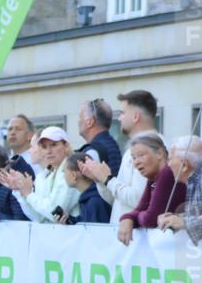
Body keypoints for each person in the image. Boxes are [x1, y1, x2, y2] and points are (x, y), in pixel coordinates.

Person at [85, 90, 159, 223]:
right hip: (125, 237)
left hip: (138, 238)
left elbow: (138, 199)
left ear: (135, 116)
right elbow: (117, 199)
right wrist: (100, 180)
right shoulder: (132, 149)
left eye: (123, 113)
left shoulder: (152, 148)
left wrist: (108, 179)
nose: (119, 119)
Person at [117, 133, 186, 246]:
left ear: (159, 153)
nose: (136, 162)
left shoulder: (167, 173)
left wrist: (133, 218)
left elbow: (151, 219)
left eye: (141, 155)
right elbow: (141, 208)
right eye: (134, 158)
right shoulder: (154, 177)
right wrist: (127, 218)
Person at [1, 126, 79, 223]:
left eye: (54, 145)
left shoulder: (72, 171)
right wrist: (21, 192)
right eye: (44, 147)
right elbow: (39, 217)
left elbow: (54, 214)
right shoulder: (51, 174)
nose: (49, 151)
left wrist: (28, 194)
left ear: (66, 146)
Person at [57, 152, 111, 224]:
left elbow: (95, 233)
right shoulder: (89, 198)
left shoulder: (94, 202)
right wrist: (70, 220)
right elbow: (86, 222)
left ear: (74, 175)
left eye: (64, 172)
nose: (64, 176)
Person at [77, 98, 122, 175]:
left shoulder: (92, 151)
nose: (78, 121)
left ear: (90, 122)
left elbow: (89, 186)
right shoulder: (113, 145)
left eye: (80, 117)